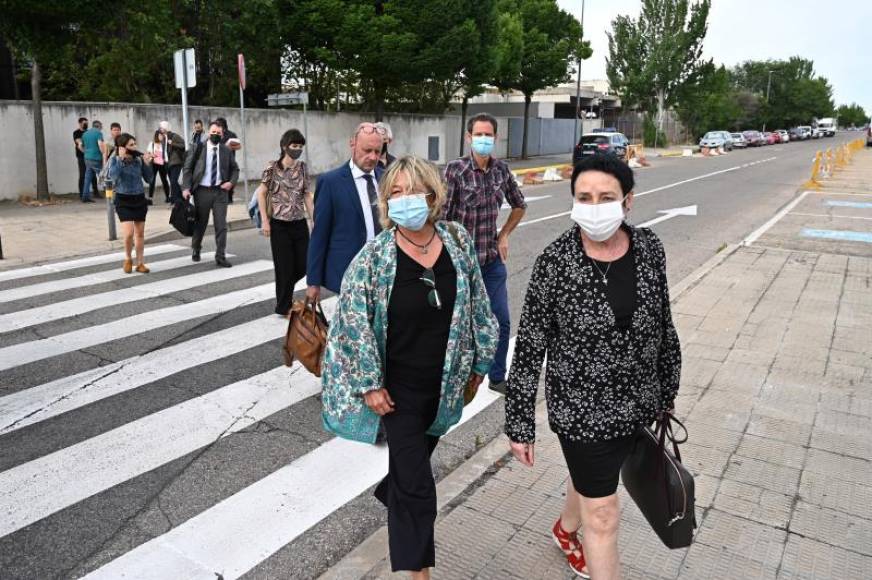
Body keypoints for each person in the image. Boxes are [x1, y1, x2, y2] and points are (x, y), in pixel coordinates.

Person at [504, 155, 682, 580]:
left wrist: (667, 392)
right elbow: (529, 347)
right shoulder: (555, 263)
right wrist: (519, 424)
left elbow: (663, 325)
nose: (594, 206)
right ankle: (580, 535)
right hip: (582, 412)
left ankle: (565, 530)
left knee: (588, 484)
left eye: (606, 197)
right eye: (584, 197)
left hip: (640, 404)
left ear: (628, 201)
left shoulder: (649, 249)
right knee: (603, 518)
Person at [321, 156, 498, 579]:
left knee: (406, 475)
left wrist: (481, 360)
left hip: (444, 386)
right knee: (418, 489)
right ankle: (417, 574)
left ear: (432, 195)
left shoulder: (456, 241)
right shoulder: (374, 258)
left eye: (412, 190)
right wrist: (368, 384)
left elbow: (477, 302)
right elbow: (352, 324)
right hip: (397, 393)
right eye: (394, 193)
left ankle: (394, 490)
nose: (404, 200)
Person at [443, 112, 526, 394]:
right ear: (468, 138)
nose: (483, 140)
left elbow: (519, 205)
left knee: (500, 319)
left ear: (496, 137)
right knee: (459, 325)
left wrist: (503, 235)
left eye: (487, 135)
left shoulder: (501, 170)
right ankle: (454, 379)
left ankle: (498, 377)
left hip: (490, 261)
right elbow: (440, 216)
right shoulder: (455, 170)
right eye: (477, 135)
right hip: (460, 265)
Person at [306, 122, 387, 301]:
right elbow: (320, 233)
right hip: (347, 273)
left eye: (377, 151)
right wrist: (313, 282)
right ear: (352, 144)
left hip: (383, 271)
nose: (373, 157)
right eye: (367, 150)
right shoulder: (331, 182)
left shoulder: (387, 178)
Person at [256, 129, 314, 315]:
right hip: (279, 225)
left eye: (300, 146)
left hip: (299, 224)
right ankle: (283, 306)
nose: (297, 149)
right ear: (284, 146)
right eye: (294, 146)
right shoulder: (272, 168)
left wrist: (314, 219)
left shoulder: (303, 168)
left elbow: (306, 195)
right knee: (284, 268)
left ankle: (285, 294)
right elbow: (262, 193)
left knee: (304, 264)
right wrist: (265, 221)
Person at [182, 120, 239, 268]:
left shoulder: (226, 150)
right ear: (208, 132)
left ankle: (220, 256)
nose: (215, 135)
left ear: (222, 134)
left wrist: (231, 182)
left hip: (220, 192)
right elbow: (187, 169)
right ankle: (196, 248)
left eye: (218, 133)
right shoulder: (197, 148)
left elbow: (235, 169)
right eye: (213, 132)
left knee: (221, 225)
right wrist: (186, 188)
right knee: (201, 224)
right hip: (202, 191)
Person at [107, 133, 155, 274]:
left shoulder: (138, 161)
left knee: (139, 233)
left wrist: (147, 164)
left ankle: (140, 263)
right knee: (128, 234)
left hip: (139, 199)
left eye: (135, 144)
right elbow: (113, 177)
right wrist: (121, 160)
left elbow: (149, 179)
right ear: (122, 147)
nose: (134, 147)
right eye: (131, 145)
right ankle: (128, 258)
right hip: (123, 199)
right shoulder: (115, 160)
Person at [158, 121, 187, 203]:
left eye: (161, 128)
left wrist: (173, 144)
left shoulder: (174, 136)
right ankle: (180, 197)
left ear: (165, 128)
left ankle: (176, 199)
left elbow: (183, 145)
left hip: (176, 162)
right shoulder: (163, 138)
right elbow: (164, 150)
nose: (160, 130)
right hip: (168, 163)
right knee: (172, 182)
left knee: (173, 181)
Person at [81, 120, 106, 203]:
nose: (102, 128)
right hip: (96, 158)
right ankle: (110, 195)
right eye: (101, 126)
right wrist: (104, 153)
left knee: (87, 178)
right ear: (98, 126)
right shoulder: (98, 133)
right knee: (103, 176)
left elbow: (80, 145)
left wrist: (86, 152)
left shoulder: (85, 134)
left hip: (87, 158)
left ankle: (85, 196)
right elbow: (100, 144)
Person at [74, 117, 96, 198]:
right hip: (81, 157)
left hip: (91, 156)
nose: (86, 124)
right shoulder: (76, 133)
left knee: (93, 174)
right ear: (79, 123)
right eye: (84, 123)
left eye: (87, 123)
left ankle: (96, 192)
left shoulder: (88, 132)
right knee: (83, 174)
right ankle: (82, 194)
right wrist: (85, 152)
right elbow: (79, 143)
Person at [146, 130, 170, 205]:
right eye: (160, 135)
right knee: (152, 180)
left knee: (164, 180)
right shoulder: (152, 144)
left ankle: (168, 197)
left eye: (162, 135)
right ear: (157, 135)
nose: (162, 137)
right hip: (154, 163)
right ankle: (150, 198)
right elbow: (148, 153)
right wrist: (151, 155)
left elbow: (166, 153)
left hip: (162, 164)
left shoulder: (165, 144)